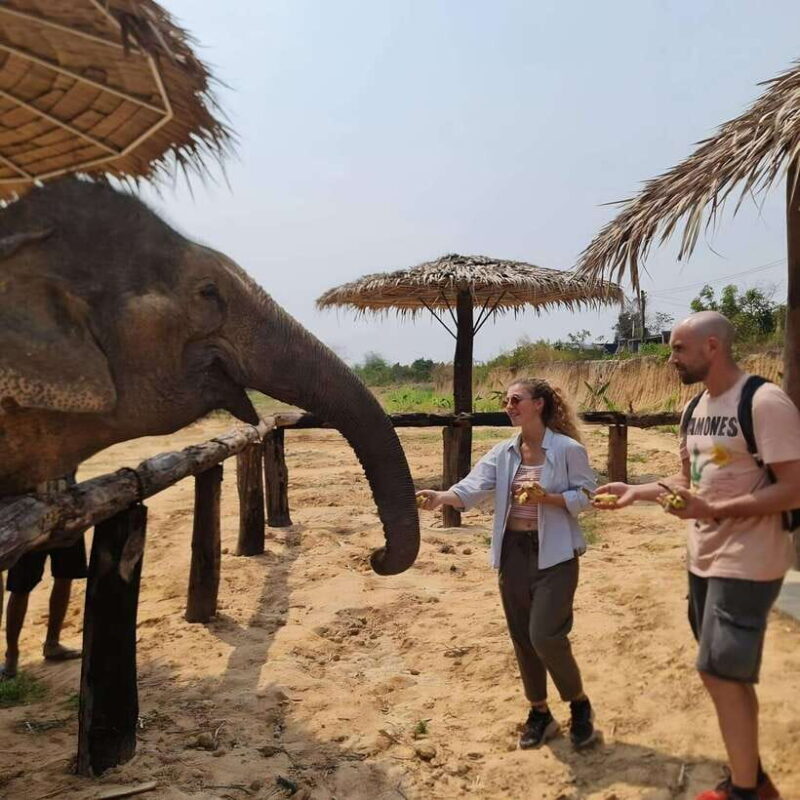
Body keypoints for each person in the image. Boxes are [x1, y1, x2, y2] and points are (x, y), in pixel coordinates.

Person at [594, 311, 800, 800]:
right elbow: (689, 486)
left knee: (717, 671)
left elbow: (794, 488)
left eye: (678, 349)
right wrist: (637, 491)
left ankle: (745, 791)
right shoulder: (693, 410)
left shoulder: (764, 402)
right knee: (727, 677)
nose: (671, 359)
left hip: (750, 559)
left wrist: (716, 509)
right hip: (702, 557)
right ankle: (751, 780)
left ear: (712, 347)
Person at [417, 377, 598, 750]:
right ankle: (540, 712)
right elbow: (472, 487)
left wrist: (546, 498)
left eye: (516, 399)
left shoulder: (567, 450)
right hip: (513, 552)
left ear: (539, 405)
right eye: (506, 401)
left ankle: (578, 704)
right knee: (521, 637)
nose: (509, 406)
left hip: (556, 553)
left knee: (545, 635)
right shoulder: (503, 452)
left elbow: (587, 495)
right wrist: (440, 497)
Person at [1, 475, 85, 679]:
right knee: (21, 586)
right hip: (32, 518)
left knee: (64, 577)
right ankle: (12, 655)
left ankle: (52, 643)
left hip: (66, 511)